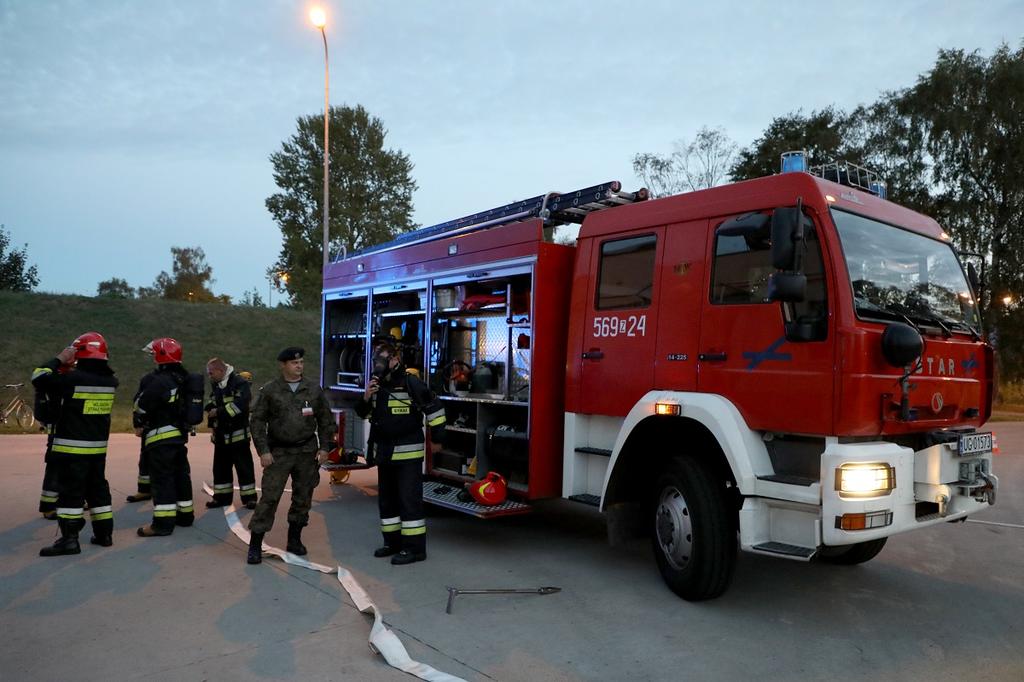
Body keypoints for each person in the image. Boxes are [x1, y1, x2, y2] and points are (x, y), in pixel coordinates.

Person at [355, 340, 446, 565]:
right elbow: (361, 412)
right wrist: (366, 396)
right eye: (377, 360)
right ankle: (392, 543)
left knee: (409, 501)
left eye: (384, 360)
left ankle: (415, 550)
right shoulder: (376, 386)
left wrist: (437, 439)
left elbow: (436, 409)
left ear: (395, 360)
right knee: (387, 502)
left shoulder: (410, 382)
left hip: (408, 455)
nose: (379, 364)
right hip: (385, 453)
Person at [246, 347, 335, 565]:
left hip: (307, 452)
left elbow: (326, 421)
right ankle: (255, 544)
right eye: (295, 363)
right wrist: (263, 451)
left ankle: (294, 540)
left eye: (302, 362)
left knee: (303, 497)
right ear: (283, 365)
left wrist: (325, 448)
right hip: (279, 453)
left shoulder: (313, 390)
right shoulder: (270, 390)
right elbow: (257, 422)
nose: (299, 366)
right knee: (270, 497)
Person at [32, 332, 118, 556]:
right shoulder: (109, 381)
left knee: (71, 493)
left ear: (80, 352)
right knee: (98, 491)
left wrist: (60, 358)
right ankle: (104, 535)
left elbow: (38, 377)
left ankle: (69, 540)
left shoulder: (72, 379)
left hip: (70, 448)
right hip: (97, 448)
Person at [133, 337, 196, 537]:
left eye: (154, 354)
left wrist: (140, 419)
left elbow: (141, 405)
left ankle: (162, 524)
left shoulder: (160, 381)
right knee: (181, 477)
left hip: (160, 438)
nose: (152, 358)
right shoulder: (184, 378)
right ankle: (185, 516)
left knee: (162, 480)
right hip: (178, 437)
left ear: (161, 356)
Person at [205, 357, 257, 509]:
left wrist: (218, 412)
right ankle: (221, 498)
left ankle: (249, 499)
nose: (210, 376)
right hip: (221, 436)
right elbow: (215, 401)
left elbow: (240, 405)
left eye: (211, 373)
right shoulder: (217, 384)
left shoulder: (239, 383)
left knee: (244, 468)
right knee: (220, 468)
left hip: (238, 436)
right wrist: (210, 408)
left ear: (221, 371)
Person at [33, 361, 71, 520]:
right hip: (58, 431)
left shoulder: (56, 381)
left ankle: (66, 500)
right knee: (55, 468)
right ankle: (48, 506)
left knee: (70, 468)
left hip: (68, 431)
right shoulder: (53, 382)